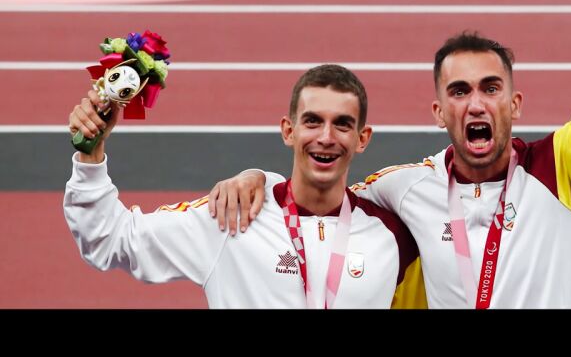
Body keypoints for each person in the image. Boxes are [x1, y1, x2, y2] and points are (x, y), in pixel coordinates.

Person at [208, 0, 571, 308]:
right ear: (439, 111)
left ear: (514, 105)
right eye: (459, 91)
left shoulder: (561, 168)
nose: (476, 103)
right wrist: (259, 177)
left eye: (491, 89)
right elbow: (320, 196)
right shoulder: (402, 189)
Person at [64, 64, 426, 308]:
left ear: (363, 138)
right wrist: (91, 156)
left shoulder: (393, 232)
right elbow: (110, 241)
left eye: (343, 125)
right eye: (313, 121)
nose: (326, 137)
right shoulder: (232, 215)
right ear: (289, 130)